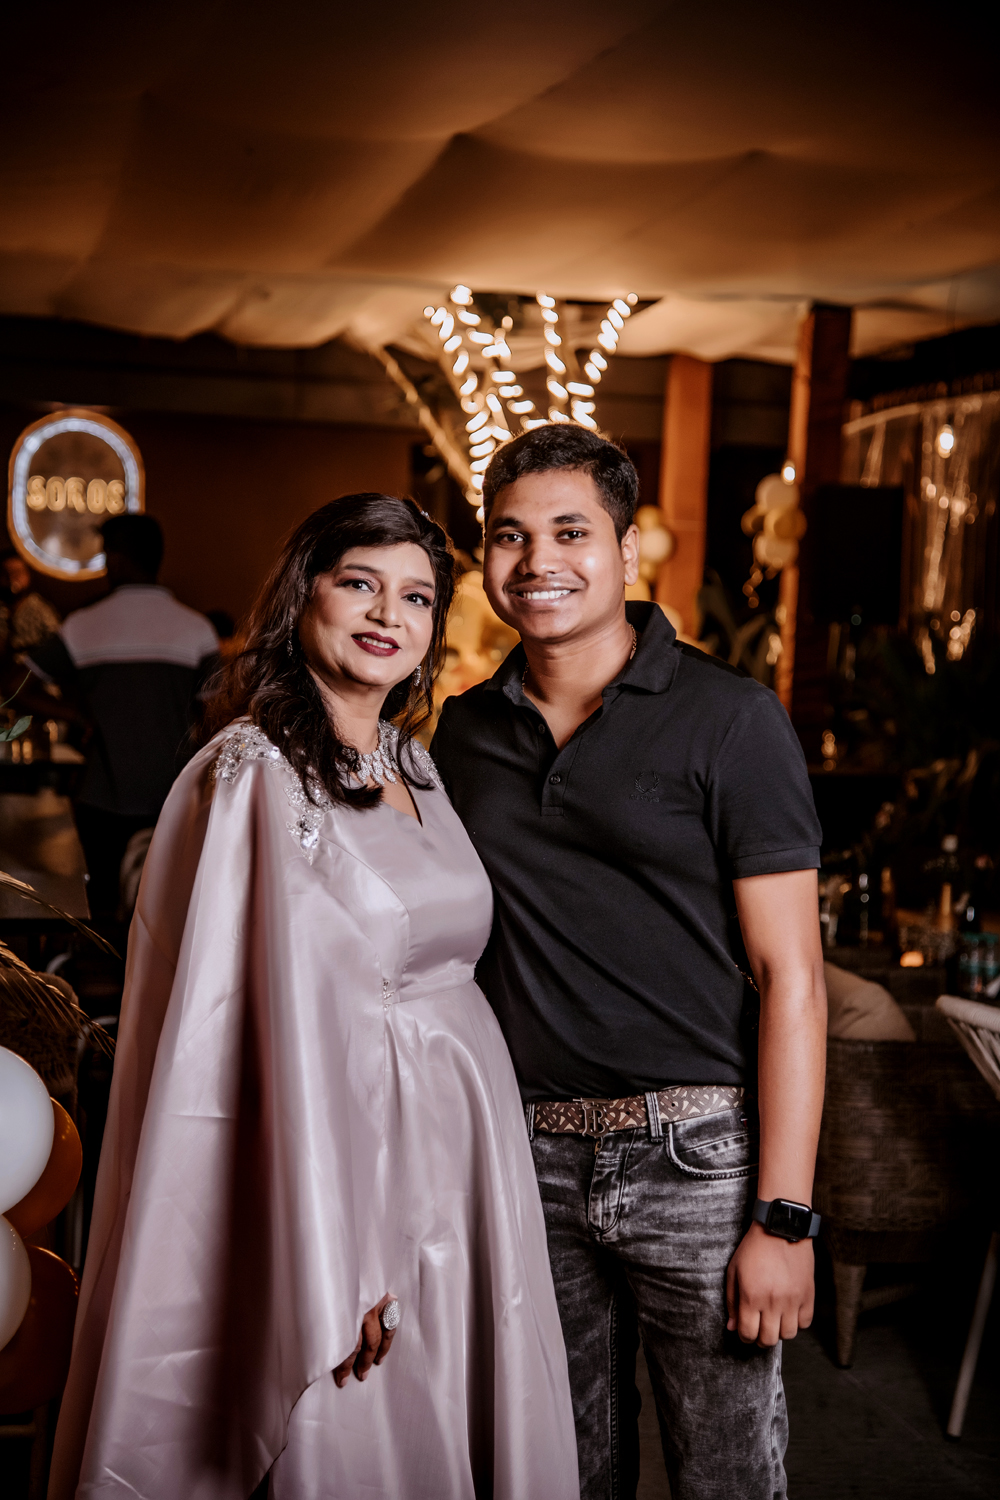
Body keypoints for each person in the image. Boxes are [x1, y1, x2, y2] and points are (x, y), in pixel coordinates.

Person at [49, 494, 578, 1500]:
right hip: (356, 1176)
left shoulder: (414, 762)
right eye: (359, 583)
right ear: (304, 598)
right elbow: (266, 1040)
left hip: (464, 1155)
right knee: (368, 1425)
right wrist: (337, 1261)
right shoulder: (256, 774)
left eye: (416, 597)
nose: (389, 614)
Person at [431, 425, 827, 1500]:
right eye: (508, 536)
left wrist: (784, 1218)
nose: (537, 561)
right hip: (525, 1157)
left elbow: (793, 981)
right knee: (555, 1472)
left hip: (697, 1158)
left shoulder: (731, 718)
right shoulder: (462, 734)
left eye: (570, 532)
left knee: (726, 1478)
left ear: (625, 549)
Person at [24, 514, 218, 918]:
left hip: (102, 796)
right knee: (170, 910)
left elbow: (15, 684)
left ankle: (106, 958)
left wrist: (76, 715)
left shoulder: (83, 626)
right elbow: (216, 714)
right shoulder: (197, 630)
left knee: (102, 909)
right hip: (175, 795)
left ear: (115, 558)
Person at [0, 547, 62, 654]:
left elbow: (57, 641)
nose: (12, 578)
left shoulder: (39, 609)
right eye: (6, 573)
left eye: (17, 573)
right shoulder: (2, 608)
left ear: (28, 575)